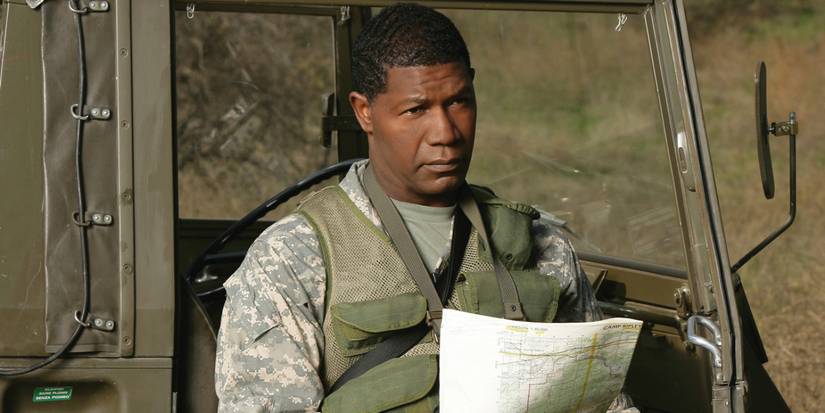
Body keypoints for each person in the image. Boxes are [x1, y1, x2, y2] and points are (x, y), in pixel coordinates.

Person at [215, 4, 636, 412]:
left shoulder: (542, 246)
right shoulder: (291, 259)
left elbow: (603, 403)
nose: (445, 133)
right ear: (364, 112)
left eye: (458, 102)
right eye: (416, 110)